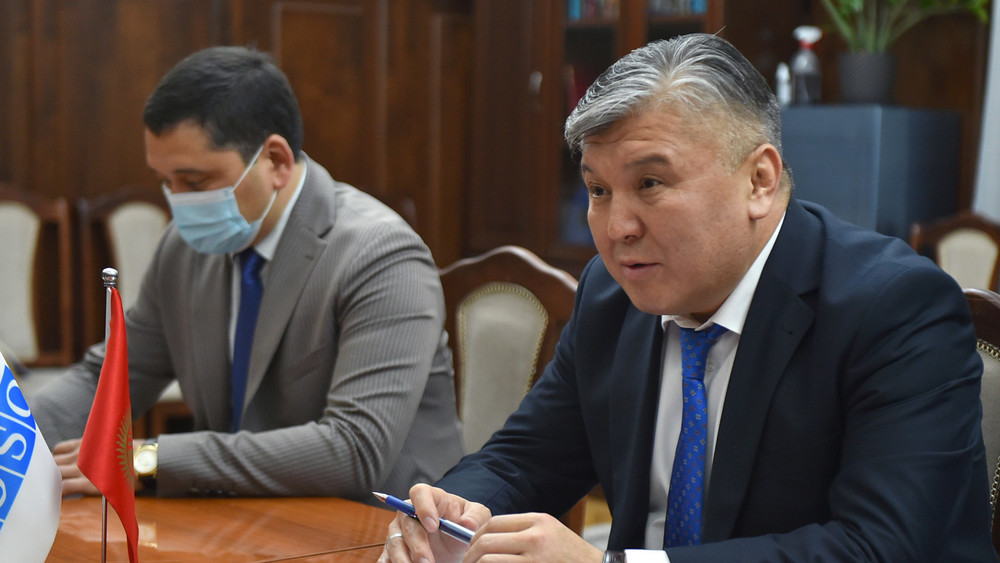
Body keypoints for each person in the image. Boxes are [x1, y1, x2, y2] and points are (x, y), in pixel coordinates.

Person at [380, 33, 997, 562]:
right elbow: (525, 459)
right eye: (597, 191)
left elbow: (877, 548)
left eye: (650, 182)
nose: (617, 227)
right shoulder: (612, 293)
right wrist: (452, 514)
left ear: (759, 180)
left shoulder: (895, 307)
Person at [29, 46, 464, 500]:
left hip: (379, 523)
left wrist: (148, 460)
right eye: (166, 182)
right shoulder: (183, 248)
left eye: (195, 182)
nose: (178, 201)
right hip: (241, 514)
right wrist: (13, 436)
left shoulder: (381, 254)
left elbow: (353, 449)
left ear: (275, 160)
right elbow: (108, 378)